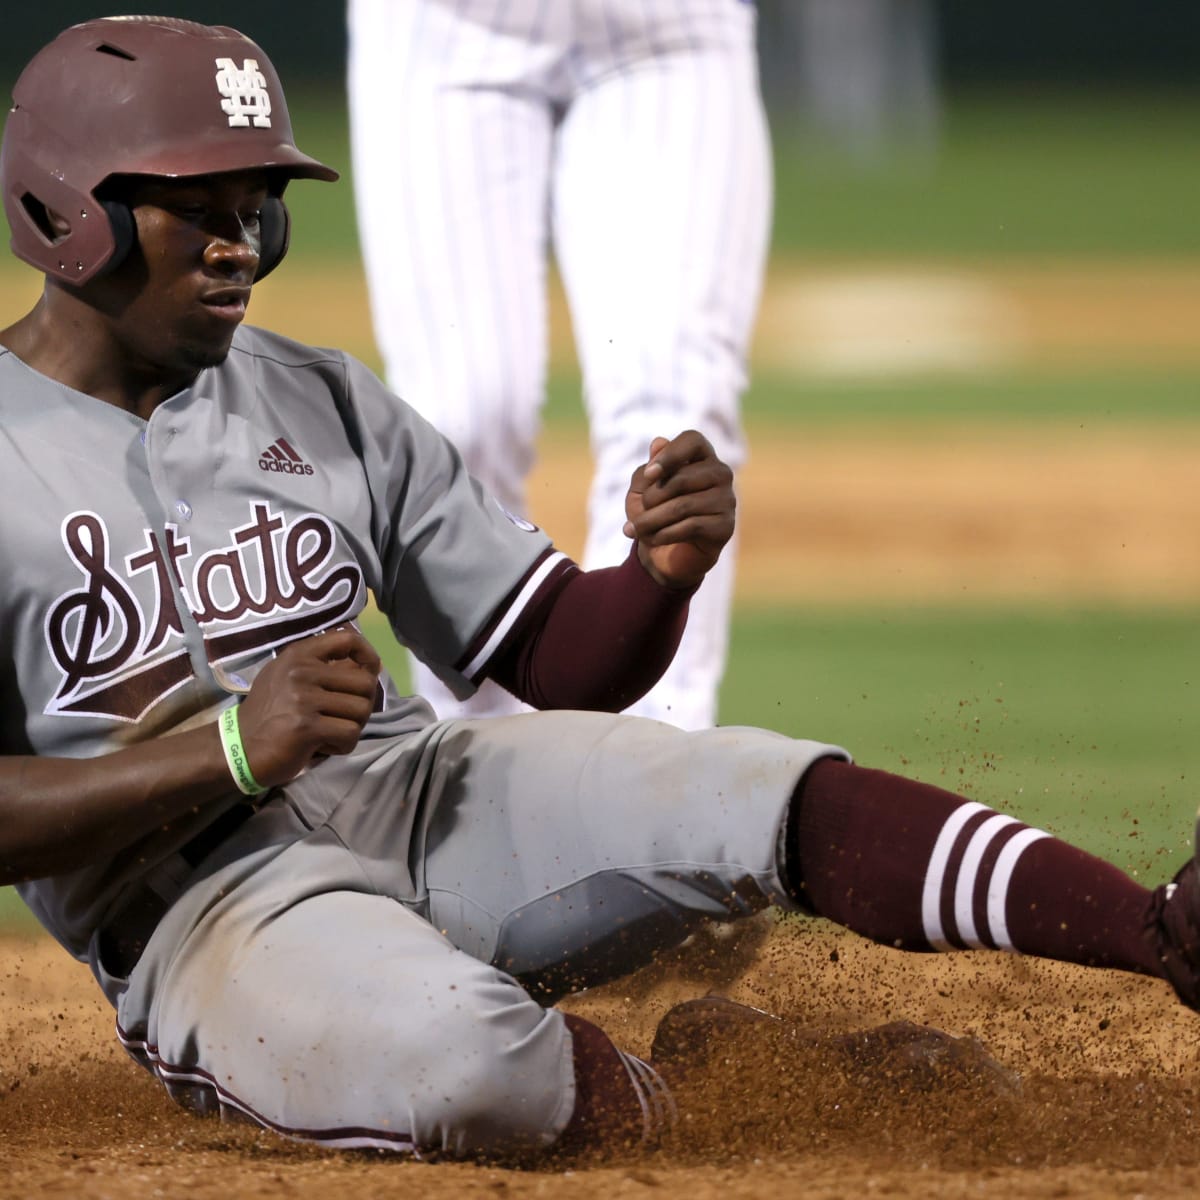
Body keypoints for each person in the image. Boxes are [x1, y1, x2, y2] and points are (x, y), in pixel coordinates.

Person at [1, 15, 1198, 1161]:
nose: (239, 245)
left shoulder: (317, 394)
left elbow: (558, 657)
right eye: (195, 209)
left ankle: (1161, 934)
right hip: (208, 909)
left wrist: (656, 579)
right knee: (473, 1066)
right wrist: (234, 753)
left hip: (421, 796)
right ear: (68, 213)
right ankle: (745, 1093)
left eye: (256, 210)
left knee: (756, 790)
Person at [346, 0, 773, 728]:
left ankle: (660, 780)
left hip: (669, 29)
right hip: (444, 27)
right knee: (462, 415)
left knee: (676, 416)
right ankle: (475, 771)